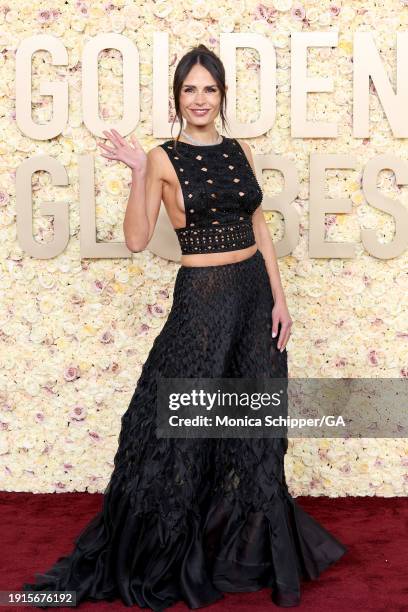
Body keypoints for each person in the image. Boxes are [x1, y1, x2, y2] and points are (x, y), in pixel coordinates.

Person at [22, 44, 347, 610]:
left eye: (210, 89)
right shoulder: (163, 158)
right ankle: (175, 551)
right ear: (177, 97)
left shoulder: (240, 147)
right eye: (190, 89)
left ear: (222, 96)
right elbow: (136, 239)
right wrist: (140, 173)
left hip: (252, 298)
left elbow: (259, 228)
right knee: (187, 428)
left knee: (256, 426)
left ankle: (250, 553)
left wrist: (280, 298)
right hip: (202, 302)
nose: (200, 99)